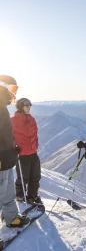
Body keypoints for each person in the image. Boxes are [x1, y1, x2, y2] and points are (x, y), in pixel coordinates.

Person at [0, 75, 29, 227]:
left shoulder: (2, 108)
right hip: (1, 160)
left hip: (5, 160)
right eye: (12, 88)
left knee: (7, 194)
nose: (14, 93)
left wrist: (12, 148)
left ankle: (11, 218)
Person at [11, 98, 42, 204]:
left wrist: (35, 146)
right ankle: (20, 196)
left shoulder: (32, 119)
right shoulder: (13, 121)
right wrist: (13, 146)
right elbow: (6, 136)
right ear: (20, 106)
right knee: (23, 178)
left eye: (30, 106)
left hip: (33, 153)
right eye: (26, 106)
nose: (29, 107)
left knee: (35, 177)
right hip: (22, 155)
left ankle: (32, 196)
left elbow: (35, 135)